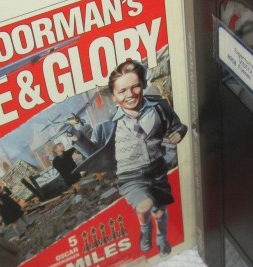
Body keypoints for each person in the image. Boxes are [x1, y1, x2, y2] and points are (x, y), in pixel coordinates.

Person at [69, 59, 187, 255]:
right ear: (114, 96)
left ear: (142, 86)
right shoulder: (106, 128)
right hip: (129, 175)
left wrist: (179, 132)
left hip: (157, 170)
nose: (130, 94)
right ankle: (145, 230)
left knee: (159, 211)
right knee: (144, 205)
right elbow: (94, 154)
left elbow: (178, 126)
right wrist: (77, 138)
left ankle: (161, 238)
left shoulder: (159, 107)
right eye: (122, 91)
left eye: (135, 87)